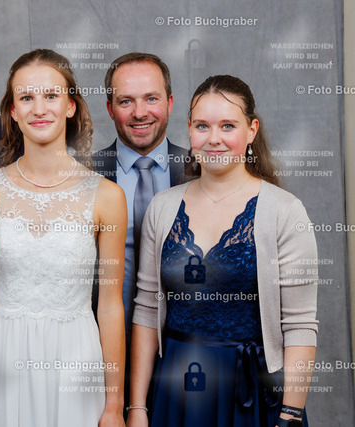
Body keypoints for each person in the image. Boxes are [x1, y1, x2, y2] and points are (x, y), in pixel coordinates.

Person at [128, 75, 318, 427]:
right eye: (203, 126)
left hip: (253, 393)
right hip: (175, 390)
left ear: (251, 130)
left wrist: (290, 414)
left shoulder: (285, 211)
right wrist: (137, 407)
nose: (213, 138)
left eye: (227, 126)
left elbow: (300, 324)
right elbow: (147, 310)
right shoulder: (162, 207)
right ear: (190, 129)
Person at [0, 49, 127, 427]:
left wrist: (115, 405)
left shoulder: (107, 196)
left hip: (76, 359)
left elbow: (111, 306)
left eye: (51, 95)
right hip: (2, 357)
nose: (39, 108)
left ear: (70, 106)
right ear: (13, 111)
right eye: (27, 97)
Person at [92, 53, 191, 344]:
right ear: (110, 109)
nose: (139, 113)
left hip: (181, 346)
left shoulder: (201, 172)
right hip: (100, 343)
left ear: (169, 103)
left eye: (151, 98)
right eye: (126, 101)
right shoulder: (83, 175)